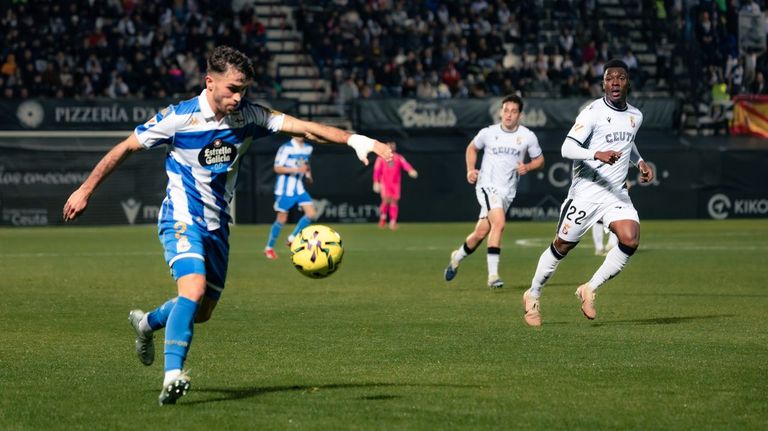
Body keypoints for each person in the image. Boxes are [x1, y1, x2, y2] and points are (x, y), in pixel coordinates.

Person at [62, 46, 392, 405]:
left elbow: (304, 129)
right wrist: (85, 189)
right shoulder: (179, 118)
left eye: (244, 89)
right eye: (233, 88)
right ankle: (174, 375)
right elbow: (125, 148)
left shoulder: (249, 116)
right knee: (193, 288)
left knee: (201, 311)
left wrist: (355, 139)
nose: (239, 96)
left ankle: (147, 324)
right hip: (181, 218)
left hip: (218, 226)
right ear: (210, 82)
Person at [522, 59, 654, 327]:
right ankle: (533, 293)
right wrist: (596, 154)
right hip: (586, 192)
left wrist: (639, 162)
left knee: (630, 239)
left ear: (628, 82)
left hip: (615, 193)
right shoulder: (591, 112)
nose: (615, 82)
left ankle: (589, 288)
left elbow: (628, 141)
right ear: (603, 83)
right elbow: (566, 148)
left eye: (620, 77)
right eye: (609, 78)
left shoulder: (636, 116)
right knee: (562, 246)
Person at [444, 94, 545, 289]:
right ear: (500, 111)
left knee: (480, 233)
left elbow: (540, 160)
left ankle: (457, 257)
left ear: (520, 115)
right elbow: (471, 149)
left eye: (513, 111)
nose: (508, 115)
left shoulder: (527, 136)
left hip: (507, 192)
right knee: (499, 223)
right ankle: (493, 276)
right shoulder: (488, 133)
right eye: (506, 110)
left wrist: (529, 167)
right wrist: (470, 169)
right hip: (487, 185)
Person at [264, 136, 316, 259]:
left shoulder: (308, 148)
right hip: (284, 189)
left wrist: (308, 175)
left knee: (311, 214)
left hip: (299, 188)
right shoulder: (286, 148)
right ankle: (269, 248)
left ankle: (292, 238)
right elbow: (277, 168)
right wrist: (298, 169)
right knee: (282, 219)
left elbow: (306, 165)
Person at [372, 141, 418, 230]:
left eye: (393, 144)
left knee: (394, 201)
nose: (392, 146)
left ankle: (393, 222)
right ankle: (383, 218)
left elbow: (405, 164)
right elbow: (377, 171)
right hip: (385, 183)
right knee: (386, 200)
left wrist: (410, 170)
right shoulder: (381, 158)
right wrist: (376, 181)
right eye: (390, 144)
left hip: (395, 184)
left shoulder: (398, 157)